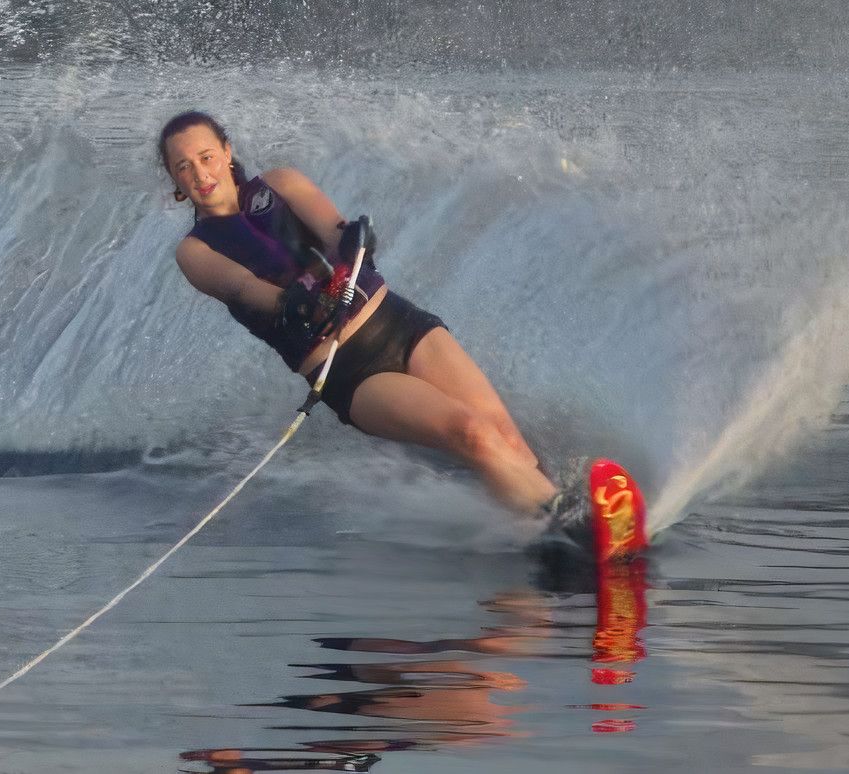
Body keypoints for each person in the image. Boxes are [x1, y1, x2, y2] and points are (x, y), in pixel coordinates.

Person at [158, 110, 559, 515]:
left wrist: (353, 239)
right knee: (472, 433)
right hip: (348, 371)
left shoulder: (281, 183)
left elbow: (336, 231)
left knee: (507, 439)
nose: (199, 173)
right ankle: (562, 520)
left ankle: (559, 531)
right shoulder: (195, 251)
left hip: (401, 324)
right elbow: (245, 289)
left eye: (206, 156)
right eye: (183, 166)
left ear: (227, 152)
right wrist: (294, 301)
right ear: (175, 181)